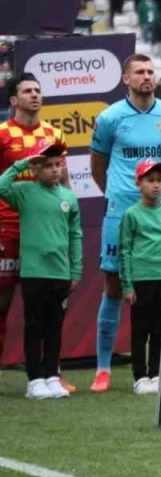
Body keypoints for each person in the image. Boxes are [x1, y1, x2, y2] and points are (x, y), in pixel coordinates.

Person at [89, 54, 161, 394]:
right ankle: (103, 368)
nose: (146, 77)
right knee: (114, 286)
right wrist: (120, 195)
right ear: (126, 79)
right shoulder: (110, 118)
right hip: (122, 212)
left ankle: (159, 367)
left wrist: (159, 197)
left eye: (150, 71)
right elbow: (97, 166)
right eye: (139, 72)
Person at [0, 74, 70, 391]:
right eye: (27, 91)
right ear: (13, 100)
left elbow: (63, 180)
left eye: (38, 90)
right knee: (2, 303)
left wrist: (67, 215)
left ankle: (51, 373)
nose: (34, 95)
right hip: (8, 229)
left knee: (48, 306)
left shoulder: (53, 133)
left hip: (43, 232)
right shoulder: (3, 133)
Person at [0, 140, 80, 399]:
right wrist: (22, 163)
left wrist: (76, 271)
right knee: (34, 325)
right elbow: (1, 186)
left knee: (54, 326)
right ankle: (34, 380)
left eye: (58, 165)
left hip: (60, 273)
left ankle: (52, 376)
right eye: (47, 165)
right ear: (35, 169)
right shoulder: (24, 192)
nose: (55, 170)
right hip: (34, 273)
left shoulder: (68, 197)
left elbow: (75, 235)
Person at [119, 158, 161, 395]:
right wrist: (127, 285)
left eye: (159, 180)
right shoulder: (132, 214)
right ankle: (140, 376)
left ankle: (156, 373)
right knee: (140, 329)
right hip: (141, 280)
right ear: (139, 183)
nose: (156, 185)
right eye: (150, 180)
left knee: (159, 329)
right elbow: (125, 250)